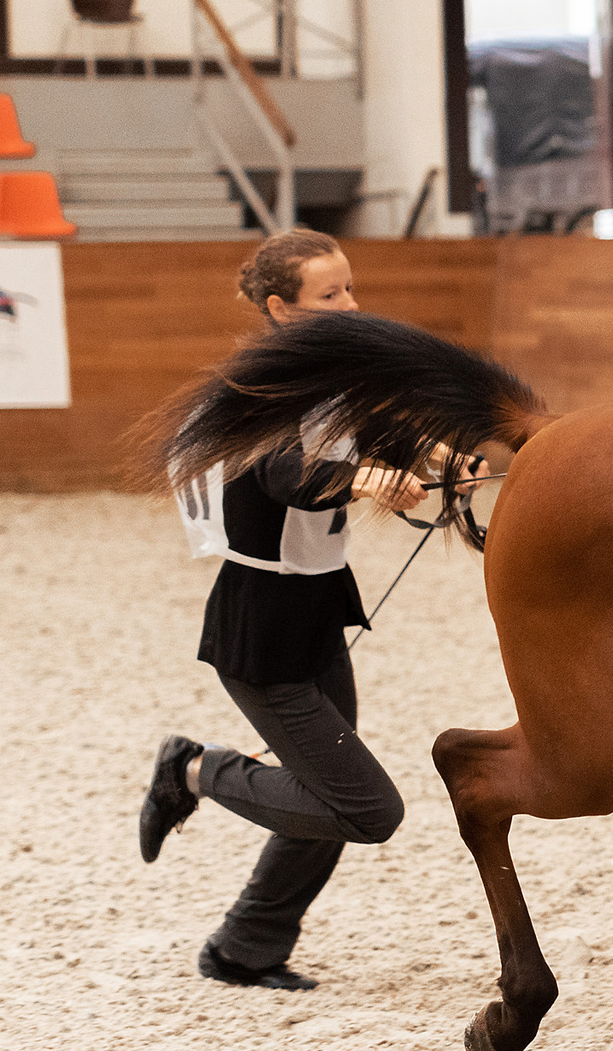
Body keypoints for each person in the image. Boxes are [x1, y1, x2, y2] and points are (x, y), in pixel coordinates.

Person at [136, 229, 426, 991]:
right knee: (368, 809)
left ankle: (246, 947)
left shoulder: (338, 372)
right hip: (262, 633)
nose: (350, 304)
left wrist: (440, 459)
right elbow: (286, 473)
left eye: (350, 288)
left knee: (324, 794)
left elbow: (394, 434)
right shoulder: (260, 386)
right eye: (330, 295)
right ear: (279, 307)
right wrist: (366, 479)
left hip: (317, 617)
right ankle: (193, 769)